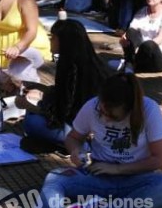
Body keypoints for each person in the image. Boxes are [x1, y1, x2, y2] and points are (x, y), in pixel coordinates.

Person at [0, 72, 162, 208]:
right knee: (54, 178)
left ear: (129, 108)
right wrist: (76, 152)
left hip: (137, 178)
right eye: (103, 111)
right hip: (98, 175)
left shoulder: (148, 110)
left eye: (112, 115)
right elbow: (73, 138)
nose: (106, 118)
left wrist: (118, 169)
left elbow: (160, 159)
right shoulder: (92, 106)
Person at [16, 18, 113, 150]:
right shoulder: (94, 63)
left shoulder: (70, 68)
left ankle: (81, 146)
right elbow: (67, 96)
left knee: (31, 121)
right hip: (102, 126)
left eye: (53, 38)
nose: (50, 41)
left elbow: (65, 112)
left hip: (81, 130)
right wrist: (44, 90)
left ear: (64, 42)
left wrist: (30, 106)